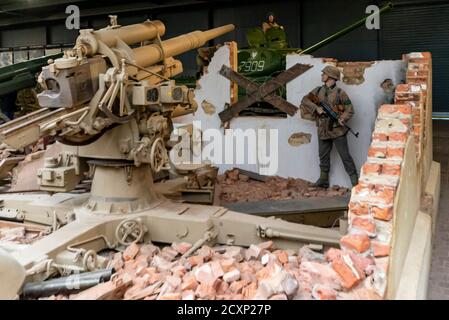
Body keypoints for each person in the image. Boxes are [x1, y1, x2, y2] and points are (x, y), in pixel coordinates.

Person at [300, 65, 358, 188]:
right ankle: (323, 180)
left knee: (345, 156)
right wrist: (316, 108)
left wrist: (342, 118)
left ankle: (355, 182)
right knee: (323, 155)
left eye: (324, 74)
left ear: (330, 76)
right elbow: (305, 100)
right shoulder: (317, 91)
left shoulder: (340, 93)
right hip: (323, 129)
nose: (322, 75)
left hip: (337, 130)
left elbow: (350, 110)